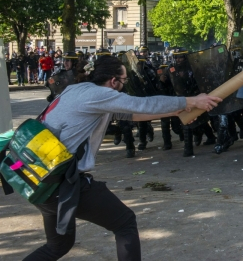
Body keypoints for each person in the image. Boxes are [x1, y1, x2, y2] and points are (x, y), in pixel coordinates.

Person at [24, 55, 221, 260]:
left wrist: (176, 110)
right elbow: (140, 105)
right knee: (125, 223)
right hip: (62, 183)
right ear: (113, 81)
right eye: (124, 80)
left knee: (57, 246)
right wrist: (193, 100)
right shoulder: (100, 94)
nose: (124, 85)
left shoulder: (76, 89)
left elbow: (128, 115)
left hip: (38, 179)